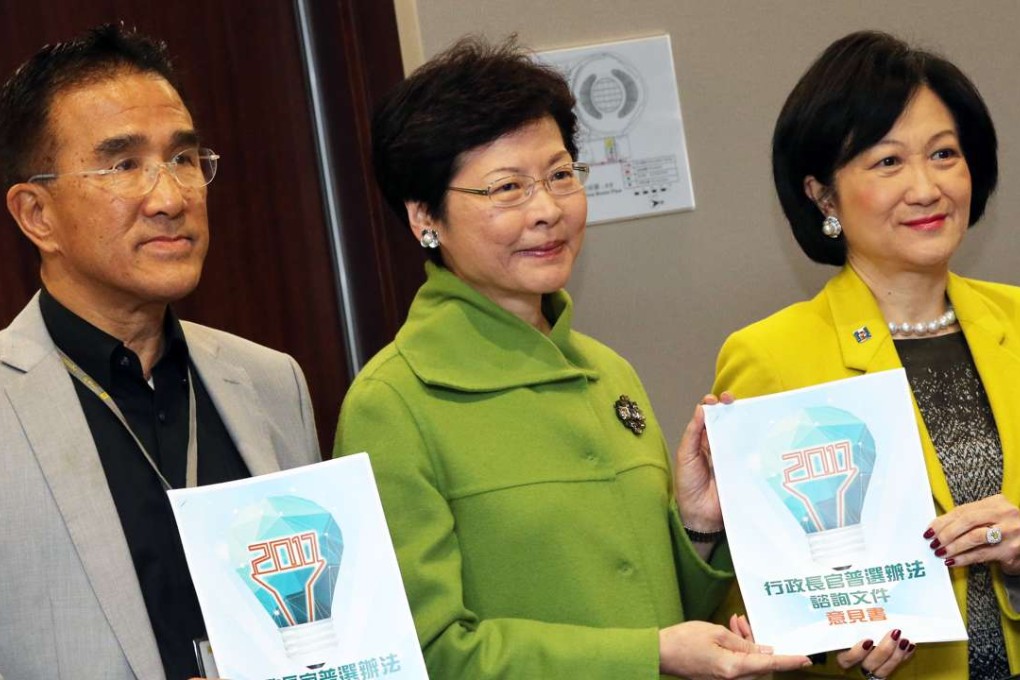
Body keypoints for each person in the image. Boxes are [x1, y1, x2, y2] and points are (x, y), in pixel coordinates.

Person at [332, 36, 811, 679]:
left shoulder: (608, 372)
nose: (548, 210)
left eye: (560, 175)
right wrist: (648, 655)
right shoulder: (394, 403)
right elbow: (428, 654)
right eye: (507, 187)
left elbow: (663, 613)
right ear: (425, 217)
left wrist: (698, 527)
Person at [0, 25, 320, 679]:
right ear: (37, 214)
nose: (172, 198)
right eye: (123, 166)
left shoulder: (271, 382)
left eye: (183, 159)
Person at [713, 30, 1019, 679]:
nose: (926, 187)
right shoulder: (770, 356)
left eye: (944, 154)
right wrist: (826, 651)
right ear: (823, 196)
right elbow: (753, 604)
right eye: (887, 162)